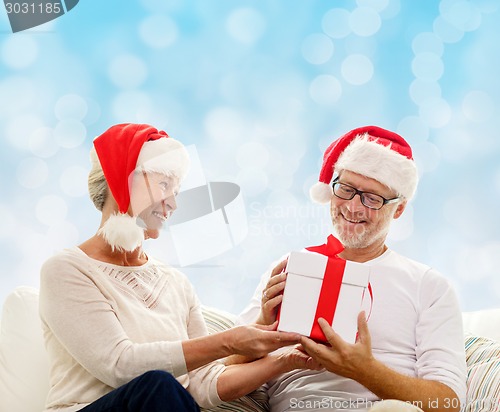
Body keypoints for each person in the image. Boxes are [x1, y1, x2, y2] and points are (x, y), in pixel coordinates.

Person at [39, 123, 320, 412]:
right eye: (164, 185)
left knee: (165, 390)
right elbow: (120, 366)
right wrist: (229, 342)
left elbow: (202, 385)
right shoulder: (67, 269)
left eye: (177, 190)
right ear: (122, 180)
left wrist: (287, 359)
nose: (173, 203)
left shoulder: (175, 282)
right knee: (158, 386)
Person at [238, 126, 467, 412]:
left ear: (398, 209)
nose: (353, 207)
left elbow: (448, 403)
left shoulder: (428, 285)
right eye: (345, 190)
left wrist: (364, 370)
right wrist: (262, 321)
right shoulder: (288, 268)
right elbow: (222, 370)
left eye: (372, 198)